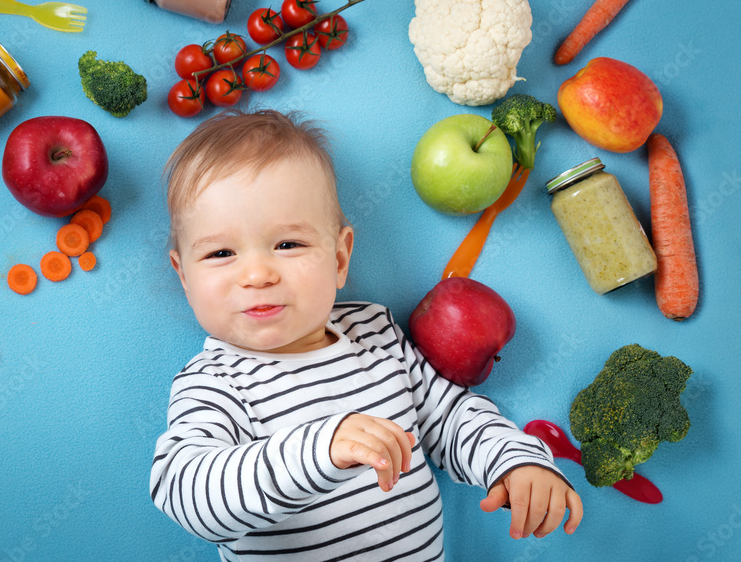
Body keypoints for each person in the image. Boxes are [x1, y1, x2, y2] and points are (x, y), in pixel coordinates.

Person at [150, 109, 582, 561]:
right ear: (185, 276)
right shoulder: (215, 382)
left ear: (339, 258)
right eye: (221, 253)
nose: (257, 274)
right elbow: (189, 494)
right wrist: (319, 450)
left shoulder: (376, 335)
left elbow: (451, 418)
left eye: (288, 244)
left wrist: (516, 460)